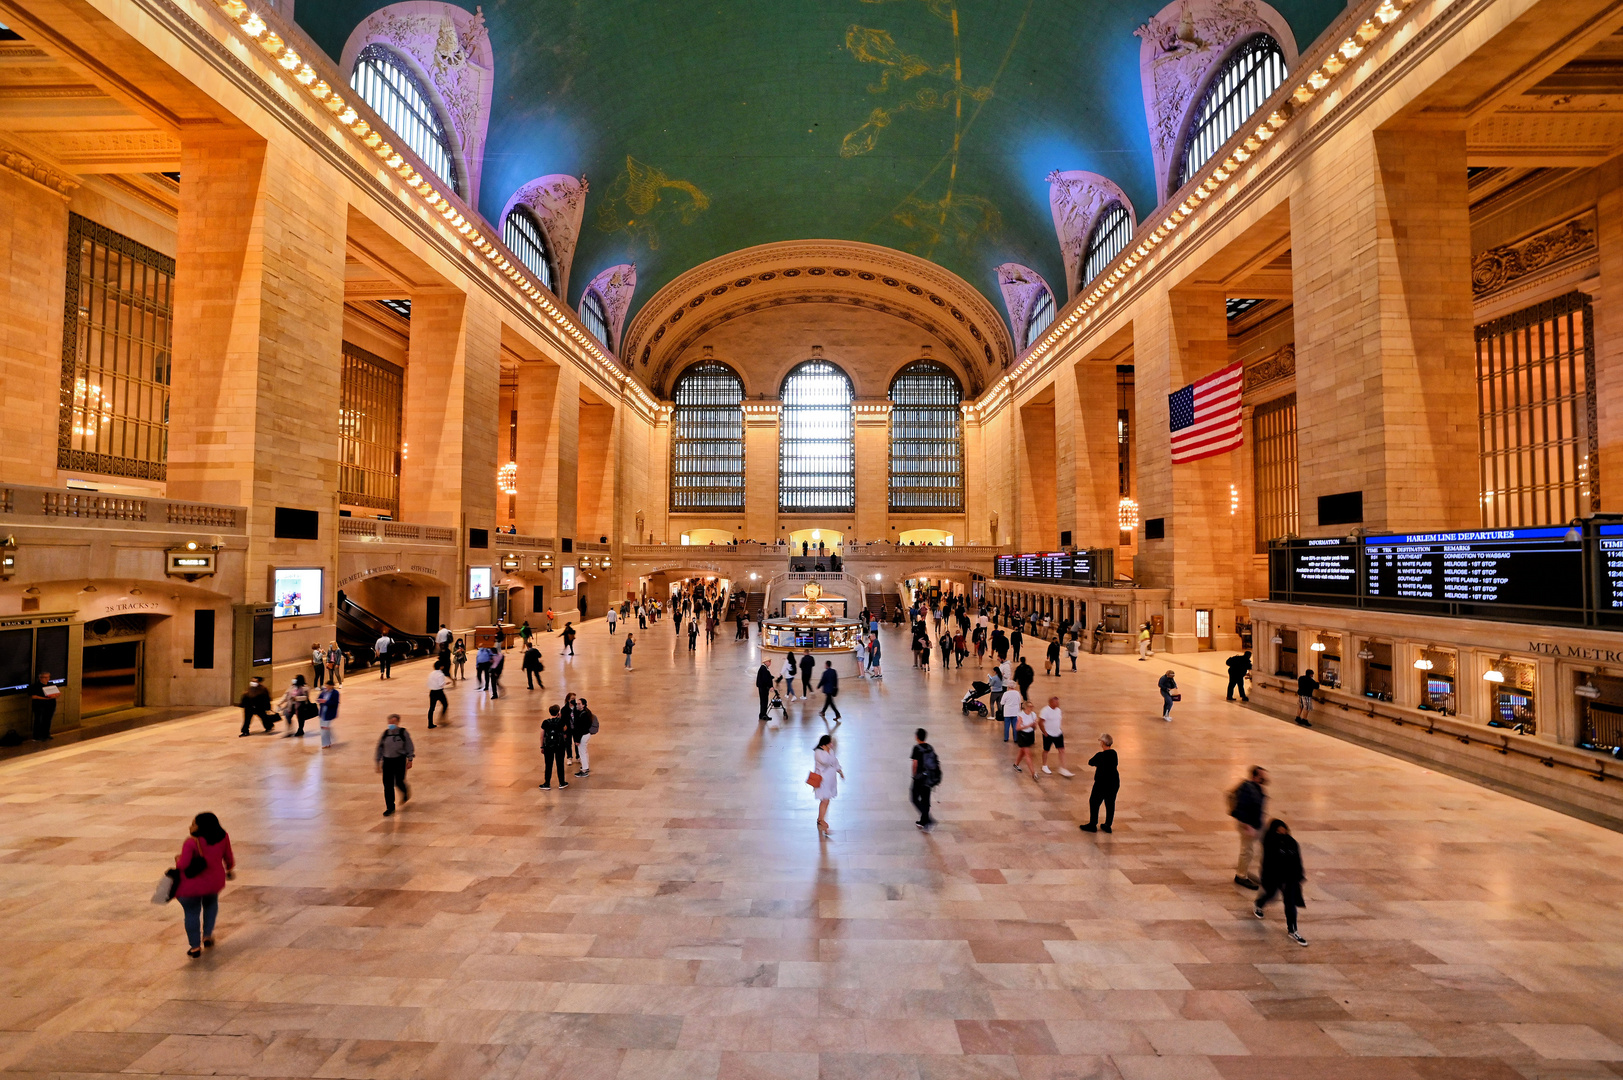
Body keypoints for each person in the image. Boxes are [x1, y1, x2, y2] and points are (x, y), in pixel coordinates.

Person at [171, 812, 234, 958]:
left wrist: (178, 859)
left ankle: (195, 947)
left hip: (193, 886)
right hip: (213, 882)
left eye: (193, 824)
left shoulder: (191, 842)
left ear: (201, 826)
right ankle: (207, 936)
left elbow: (183, 865)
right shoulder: (223, 837)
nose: (190, 826)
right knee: (211, 905)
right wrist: (229, 868)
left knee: (192, 912)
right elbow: (228, 856)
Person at [1254, 819, 1308, 945]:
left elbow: (1297, 860)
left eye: (1283, 828)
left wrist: (1299, 876)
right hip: (1275, 876)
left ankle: (1293, 930)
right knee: (1271, 894)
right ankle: (1259, 904)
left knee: (1290, 903)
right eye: (1279, 828)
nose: (1282, 830)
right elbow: (1269, 863)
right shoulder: (1270, 842)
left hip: (1290, 879)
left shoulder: (1292, 842)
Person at [1230, 766, 1269, 888]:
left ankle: (1246, 870)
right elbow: (1242, 808)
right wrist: (1247, 826)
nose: (1264, 778)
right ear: (1255, 777)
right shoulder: (1247, 789)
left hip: (1255, 825)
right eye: (1261, 776)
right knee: (1247, 851)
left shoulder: (1256, 788)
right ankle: (1241, 876)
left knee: (1258, 849)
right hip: (1247, 825)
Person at [374, 715, 414, 816]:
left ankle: (405, 792)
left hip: (399, 760)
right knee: (387, 785)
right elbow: (379, 748)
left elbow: (409, 746)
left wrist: (410, 759)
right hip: (387, 762)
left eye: (393, 722)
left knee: (399, 781)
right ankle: (390, 807)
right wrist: (377, 762)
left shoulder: (403, 733)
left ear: (398, 722)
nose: (391, 724)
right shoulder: (385, 734)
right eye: (390, 722)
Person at [1079, 734, 1119, 833]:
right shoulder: (1114, 754)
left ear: (1103, 743)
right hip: (1114, 782)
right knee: (1110, 803)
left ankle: (1093, 824)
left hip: (1101, 783)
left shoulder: (1100, 755)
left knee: (1094, 802)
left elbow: (1090, 762)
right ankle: (1108, 825)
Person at [811, 734, 843, 836]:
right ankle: (821, 820)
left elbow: (835, 761)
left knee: (826, 800)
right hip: (823, 781)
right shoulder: (818, 753)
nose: (831, 744)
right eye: (829, 742)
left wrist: (840, 771)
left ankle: (820, 818)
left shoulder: (830, 751)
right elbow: (825, 762)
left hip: (830, 781)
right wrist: (827, 752)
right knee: (825, 800)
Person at [910, 728, 941, 829]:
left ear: (917, 737)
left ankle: (928, 820)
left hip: (920, 778)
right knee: (925, 800)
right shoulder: (930, 747)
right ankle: (923, 822)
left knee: (914, 798)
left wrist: (914, 776)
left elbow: (915, 763)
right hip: (929, 778)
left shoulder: (917, 748)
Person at [1038, 696, 1072, 777]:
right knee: (1046, 750)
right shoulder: (1045, 711)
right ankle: (1044, 765)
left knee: (1061, 750)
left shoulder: (1058, 710)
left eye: (1058, 702)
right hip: (1048, 734)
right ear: (1051, 702)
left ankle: (1063, 768)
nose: (1057, 703)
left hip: (1058, 733)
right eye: (1056, 702)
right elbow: (1040, 722)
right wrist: (1044, 732)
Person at [539, 704, 570, 789]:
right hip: (560, 746)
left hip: (548, 746)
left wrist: (542, 747)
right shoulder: (561, 722)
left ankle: (547, 783)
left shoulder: (545, 722)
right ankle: (562, 782)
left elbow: (542, 735)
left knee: (548, 764)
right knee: (560, 764)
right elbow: (565, 729)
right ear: (558, 712)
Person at [1012, 699, 1040, 779]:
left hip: (1030, 735)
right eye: (1030, 706)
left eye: (1032, 706)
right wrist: (1028, 725)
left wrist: (1034, 725)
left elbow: (1034, 727)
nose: (1032, 708)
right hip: (1022, 735)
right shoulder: (1021, 715)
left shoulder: (1033, 714)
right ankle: (1033, 773)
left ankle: (1016, 764)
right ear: (1026, 707)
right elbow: (1017, 727)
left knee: (1022, 751)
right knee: (1028, 753)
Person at [573, 699, 598, 777]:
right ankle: (586, 767)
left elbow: (580, 729)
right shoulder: (587, 712)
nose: (577, 705)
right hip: (586, 734)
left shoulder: (583, 715)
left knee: (582, 753)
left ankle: (584, 770)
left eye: (579, 704)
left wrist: (577, 740)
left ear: (583, 705)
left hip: (583, 735)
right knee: (585, 751)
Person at [316, 682, 340, 749]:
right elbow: (319, 698)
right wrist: (319, 700)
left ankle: (326, 743)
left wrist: (325, 702)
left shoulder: (335, 693)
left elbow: (335, 703)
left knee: (325, 728)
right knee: (323, 728)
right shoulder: (324, 692)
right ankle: (327, 742)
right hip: (322, 712)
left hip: (329, 712)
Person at [426, 663, 449, 727]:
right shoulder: (440, 674)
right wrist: (445, 683)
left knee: (432, 708)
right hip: (439, 692)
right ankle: (441, 718)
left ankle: (430, 723)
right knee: (445, 704)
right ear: (441, 667)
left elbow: (428, 682)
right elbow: (441, 684)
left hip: (432, 692)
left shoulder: (431, 673)